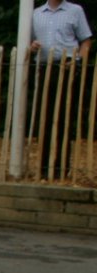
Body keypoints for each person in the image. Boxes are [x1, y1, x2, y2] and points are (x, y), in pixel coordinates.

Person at [30, 0, 92, 179]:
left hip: (67, 67)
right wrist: (32, 47)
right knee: (45, 118)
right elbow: (29, 42)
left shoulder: (75, 10)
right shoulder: (36, 13)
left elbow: (86, 41)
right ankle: (44, 167)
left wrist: (78, 61)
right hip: (44, 68)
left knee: (64, 118)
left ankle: (61, 168)